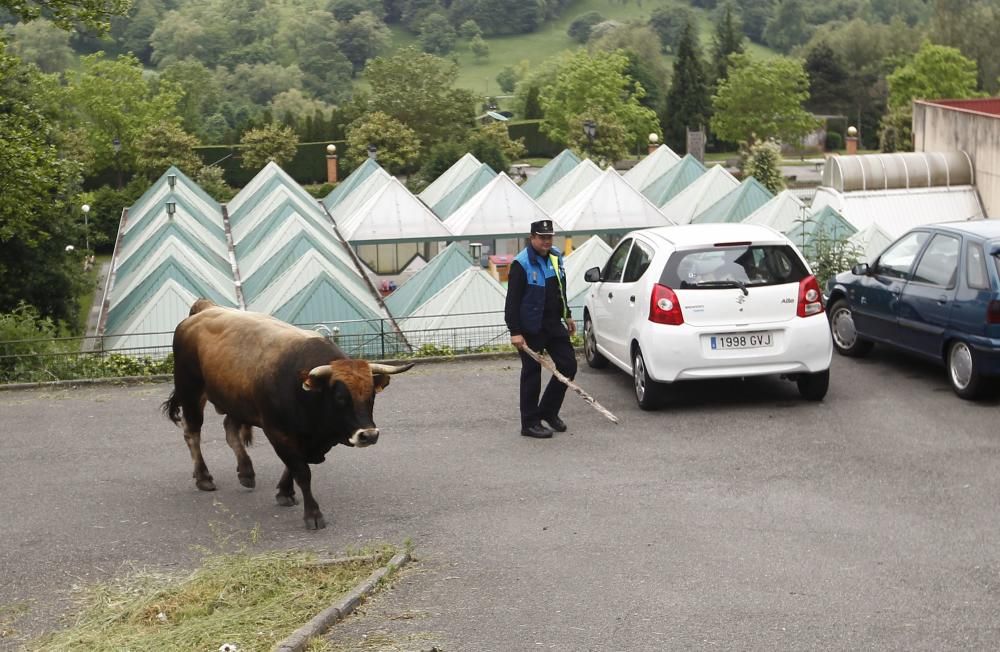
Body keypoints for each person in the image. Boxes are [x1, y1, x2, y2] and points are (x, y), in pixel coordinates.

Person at [504, 219, 577, 439]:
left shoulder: (555, 256)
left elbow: (560, 289)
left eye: (549, 237)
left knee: (568, 365)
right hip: (530, 328)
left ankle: (548, 411)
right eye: (542, 237)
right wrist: (515, 331)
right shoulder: (521, 263)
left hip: (553, 323)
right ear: (532, 237)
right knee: (531, 375)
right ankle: (529, 423)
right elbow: (512, 302)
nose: (546, 241)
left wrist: (568, 314)